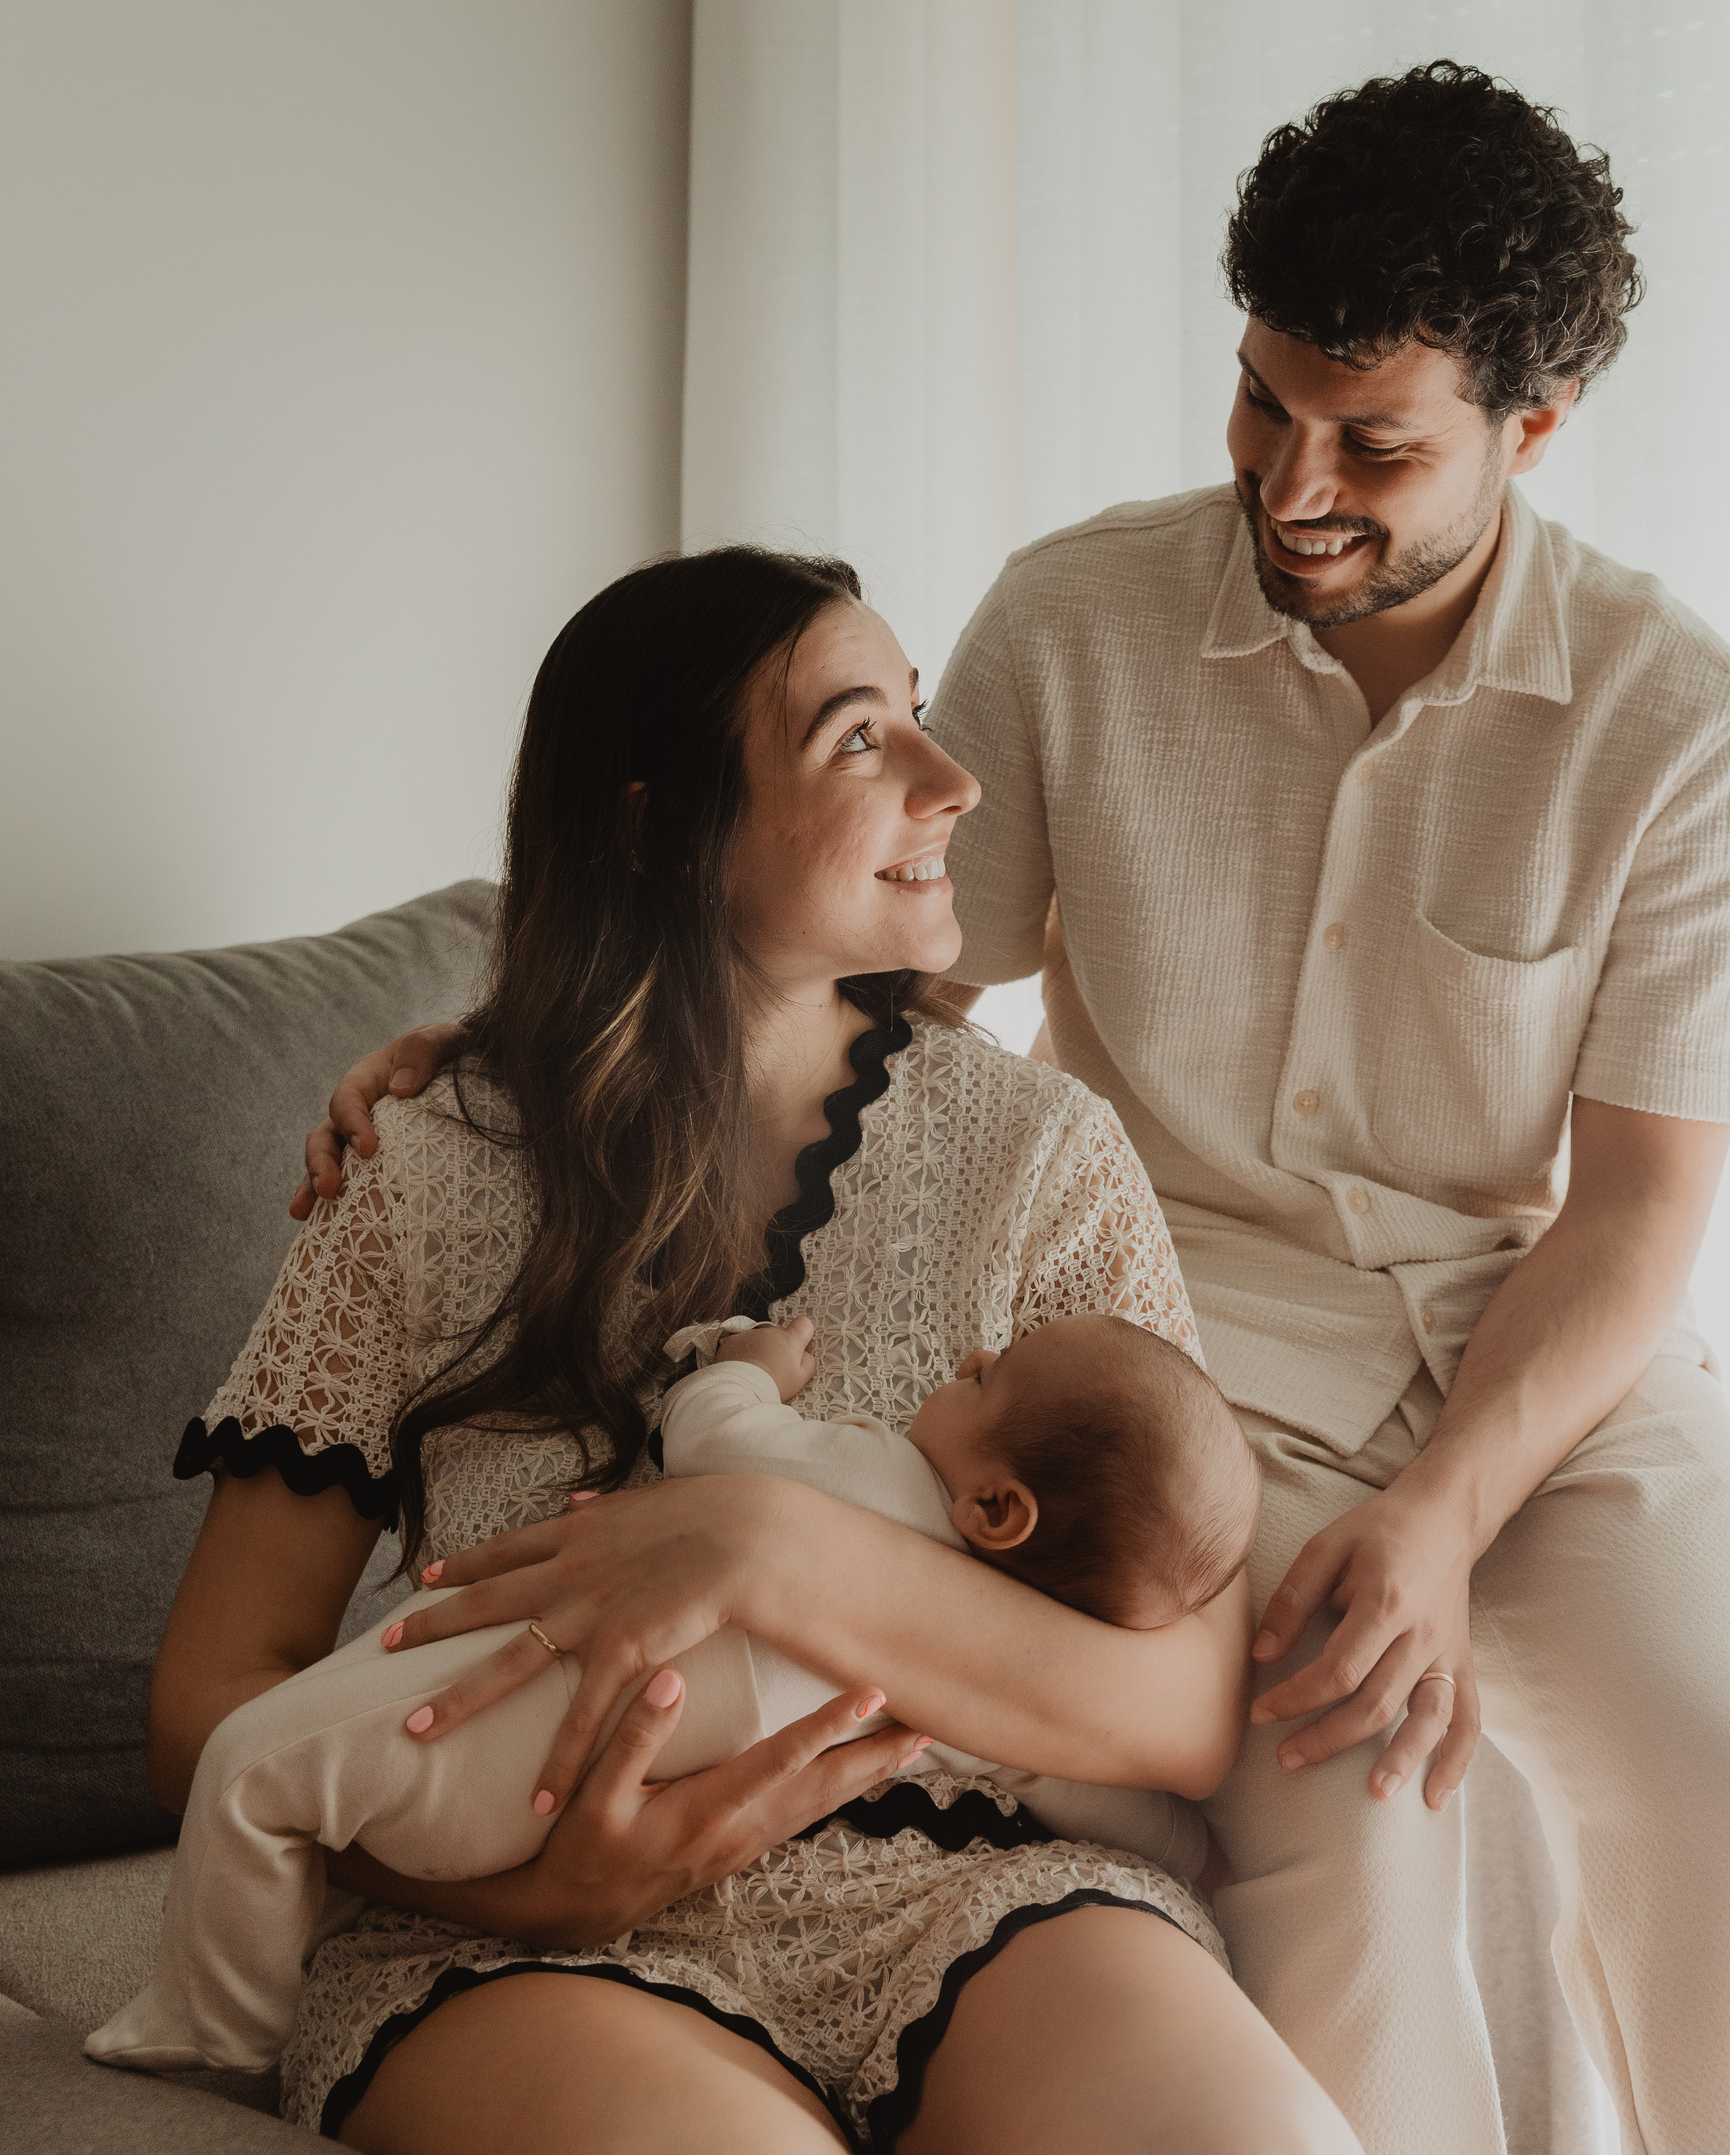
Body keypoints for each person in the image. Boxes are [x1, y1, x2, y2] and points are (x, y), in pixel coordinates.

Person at [310, 63, 1730, 2155]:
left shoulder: (1680, 722)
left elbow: (1634, 1212)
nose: (1291, 481)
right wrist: (499, 1042)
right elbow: (851, 960)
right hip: (1176, 1341)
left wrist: (1441, 1522)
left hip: (1547, 1342)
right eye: (1260, 403)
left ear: (1532, 429)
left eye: (1372, 444)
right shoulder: (1077, 616)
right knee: (1363, 1774)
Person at [151, 546, 1360, 2154]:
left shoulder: (1042, 1151)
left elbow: (1174, 1705)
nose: (955, 778)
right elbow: (212, 1698)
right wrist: (525, 1882)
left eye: (918, 716)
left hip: (962, 1885)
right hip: (517, 1940)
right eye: (861, 738)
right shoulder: (429, 1169)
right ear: (655, 824)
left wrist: (768, 1539)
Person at [102, 1311, 1259, 2076]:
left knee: (262, 1772)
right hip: (592, 1836)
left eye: (989, 1373)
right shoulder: (987, 1694)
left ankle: (214, 2032)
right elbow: (1114, 1797)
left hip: (573, 1746)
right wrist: (1187, 1850)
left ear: (1000, 1510)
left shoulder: (876, 1470)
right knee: (297, 1777)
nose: (963, 1361)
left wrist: (742, 1373)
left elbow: (720, 1443)